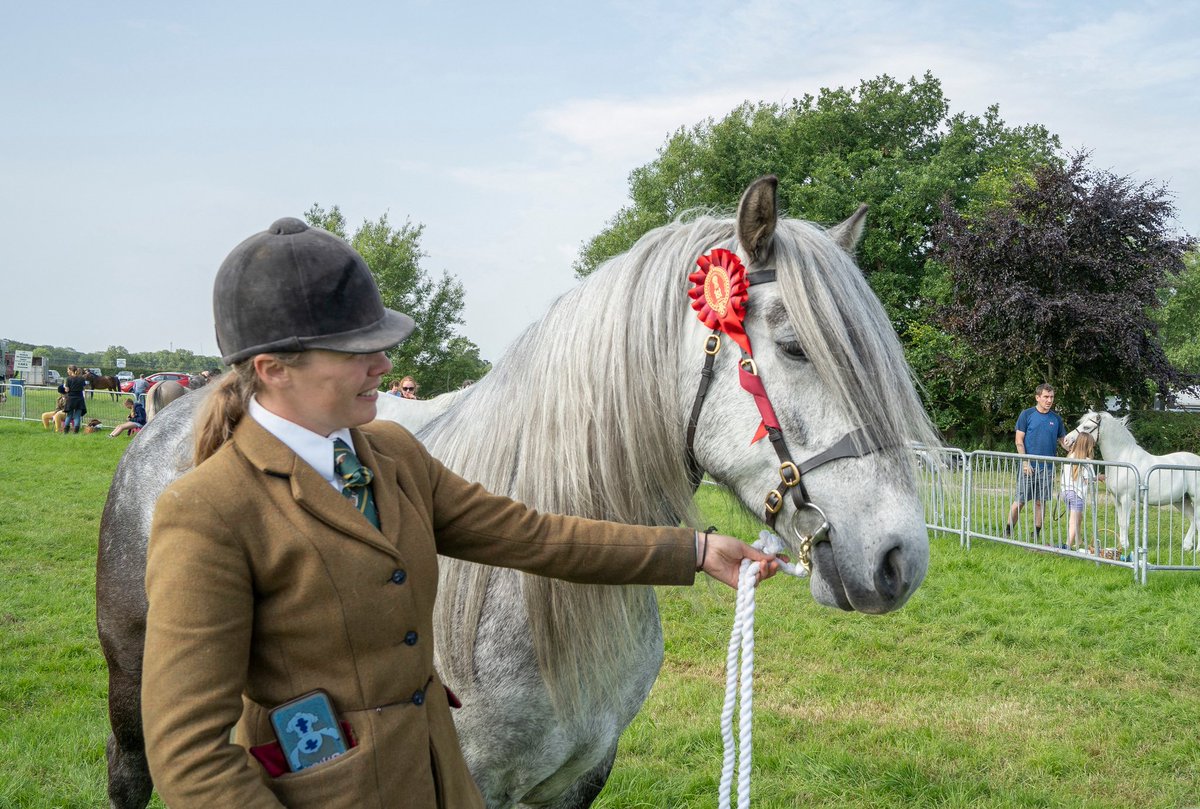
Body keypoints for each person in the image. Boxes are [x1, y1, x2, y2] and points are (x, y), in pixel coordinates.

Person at [140, 217, 782, 809]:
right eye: (357, 351)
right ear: (272, 368)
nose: (384, 366)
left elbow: (533, 536)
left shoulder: (393, 456)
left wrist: (693, 550)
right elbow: (190, 757)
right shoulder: (208, 512)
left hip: (442, 782)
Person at [1004, 383, 1069, 540]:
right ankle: (1007, 531)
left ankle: (1036, 534)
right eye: (1046, 397)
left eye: (1051, 397)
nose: (1049, 400)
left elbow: (1063, 442)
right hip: (1028, 466)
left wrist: (1078, 451)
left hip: (1047, 468)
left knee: (1040, 502)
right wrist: (1025, 462)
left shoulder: (1056, 419)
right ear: (1037, 397)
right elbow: (1019, 441)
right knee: (1020, 501)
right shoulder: (1026, 415)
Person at [1059, 431, 1102, 550]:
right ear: (1088, 446)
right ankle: (1067, 546)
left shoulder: (1069, 456)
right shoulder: (1087, 461)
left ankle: (1078, 541)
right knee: (1074, 521)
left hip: (1066, 492)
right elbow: (1088, 479)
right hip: (1077, 494)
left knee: (1078, 517)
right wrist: (1098, 478)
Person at [57, 365, 87, 434]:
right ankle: (76, 432)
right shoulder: (82, 378)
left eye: (68, 370)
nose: (67, 371)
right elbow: (84, 387)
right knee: (77, 416)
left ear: (71, 370)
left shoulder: (69, 379)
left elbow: (67, 390)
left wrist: (65, 388)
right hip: (79, 398)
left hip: (71, 399)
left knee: (69, 415)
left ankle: (66, 432)